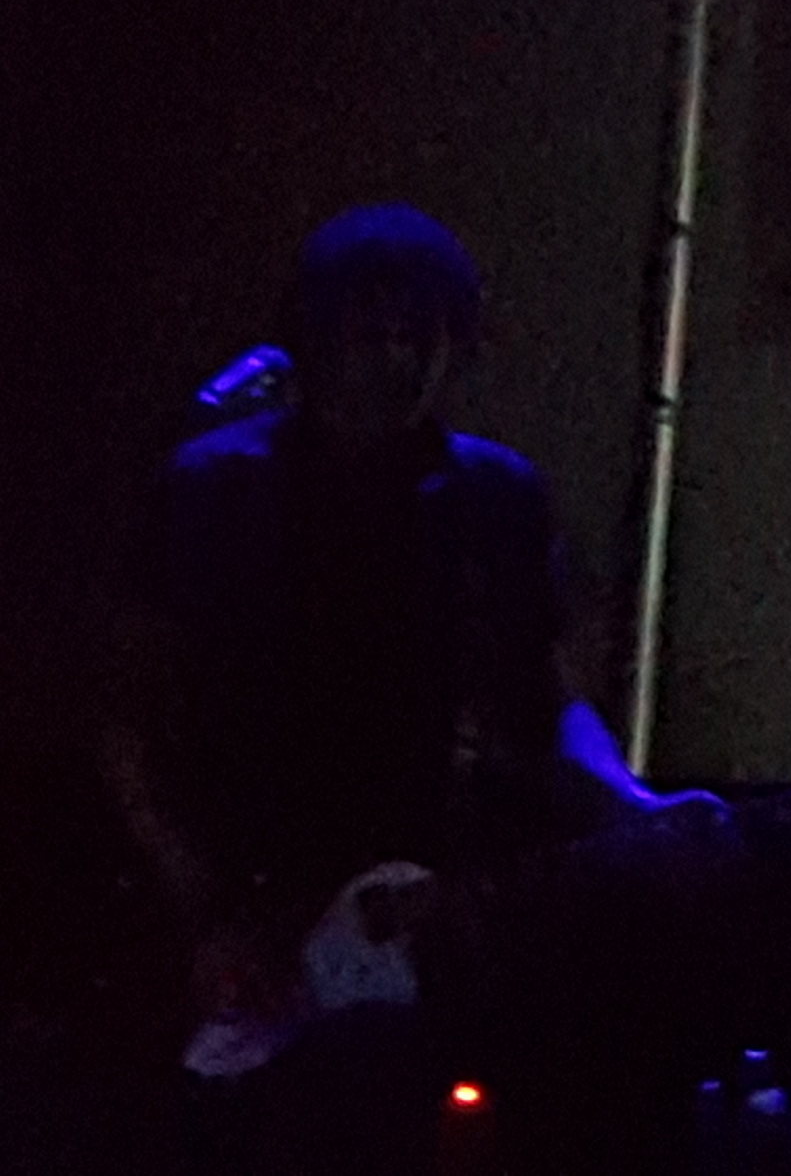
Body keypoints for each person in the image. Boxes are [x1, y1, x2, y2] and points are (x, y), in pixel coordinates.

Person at [99, 205, 676, 1167]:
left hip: (423, 920)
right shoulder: (214, 488)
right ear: (316, 338)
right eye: (375, 334)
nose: (404, 362)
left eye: (428, 336)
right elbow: (129, 726)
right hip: (246, 915)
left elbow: (544, 703)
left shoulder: (494, 496)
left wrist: (633, 807)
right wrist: (203, 915)